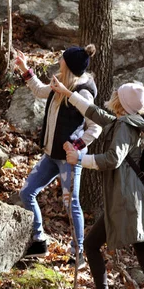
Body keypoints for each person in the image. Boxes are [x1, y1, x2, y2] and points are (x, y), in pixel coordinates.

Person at [50, 77, 144, 289]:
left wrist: (79, 157)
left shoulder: (126, 127)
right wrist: (66, 93)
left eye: (117, 93)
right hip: (124, 202)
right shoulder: (124, 122)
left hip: (131, 204)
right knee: (93, 245)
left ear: (122, 101)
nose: (113, 94)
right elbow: (96, 113)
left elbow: (113, 159)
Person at [14, 45, 101, 267]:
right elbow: (40, 91)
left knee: (71, 204)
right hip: (51, 155)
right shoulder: (60, 82)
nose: (59, 61)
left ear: (69, 66)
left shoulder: (82, 93)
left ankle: (78, 253)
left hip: (69, 159)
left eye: (62, 59)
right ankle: (39, 240)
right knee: (27, 193)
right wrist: (25, 69)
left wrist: (77, 146)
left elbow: (96, 127)